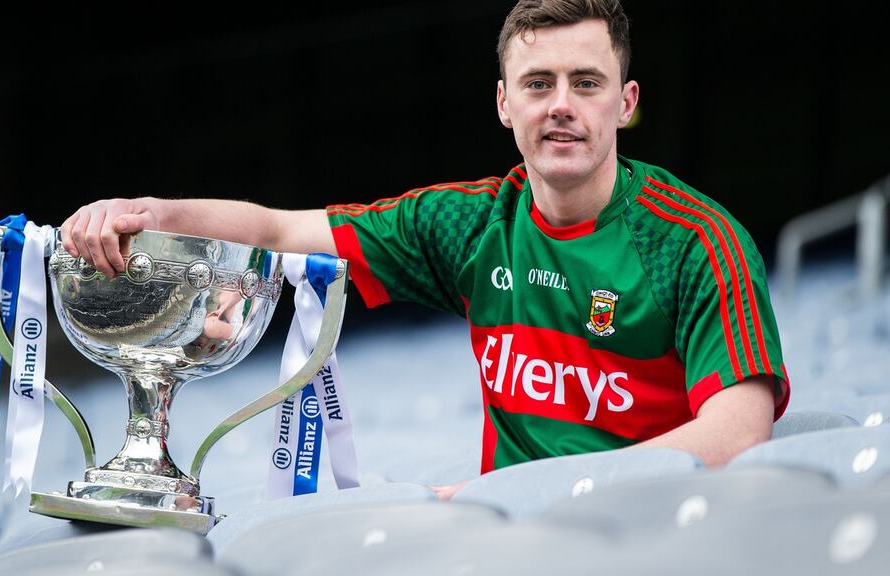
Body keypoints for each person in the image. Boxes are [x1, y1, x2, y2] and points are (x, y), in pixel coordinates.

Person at [62, 0, 789, 499]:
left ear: (625, 103)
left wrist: (542, 492)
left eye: (585, 83)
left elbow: (737, 433)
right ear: (505, 103)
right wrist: (150, 211)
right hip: (515, 543)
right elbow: (282, 231)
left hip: (663, 540)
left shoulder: (699, 242)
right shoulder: (468, 223)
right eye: (538, 84)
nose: (561, 104)